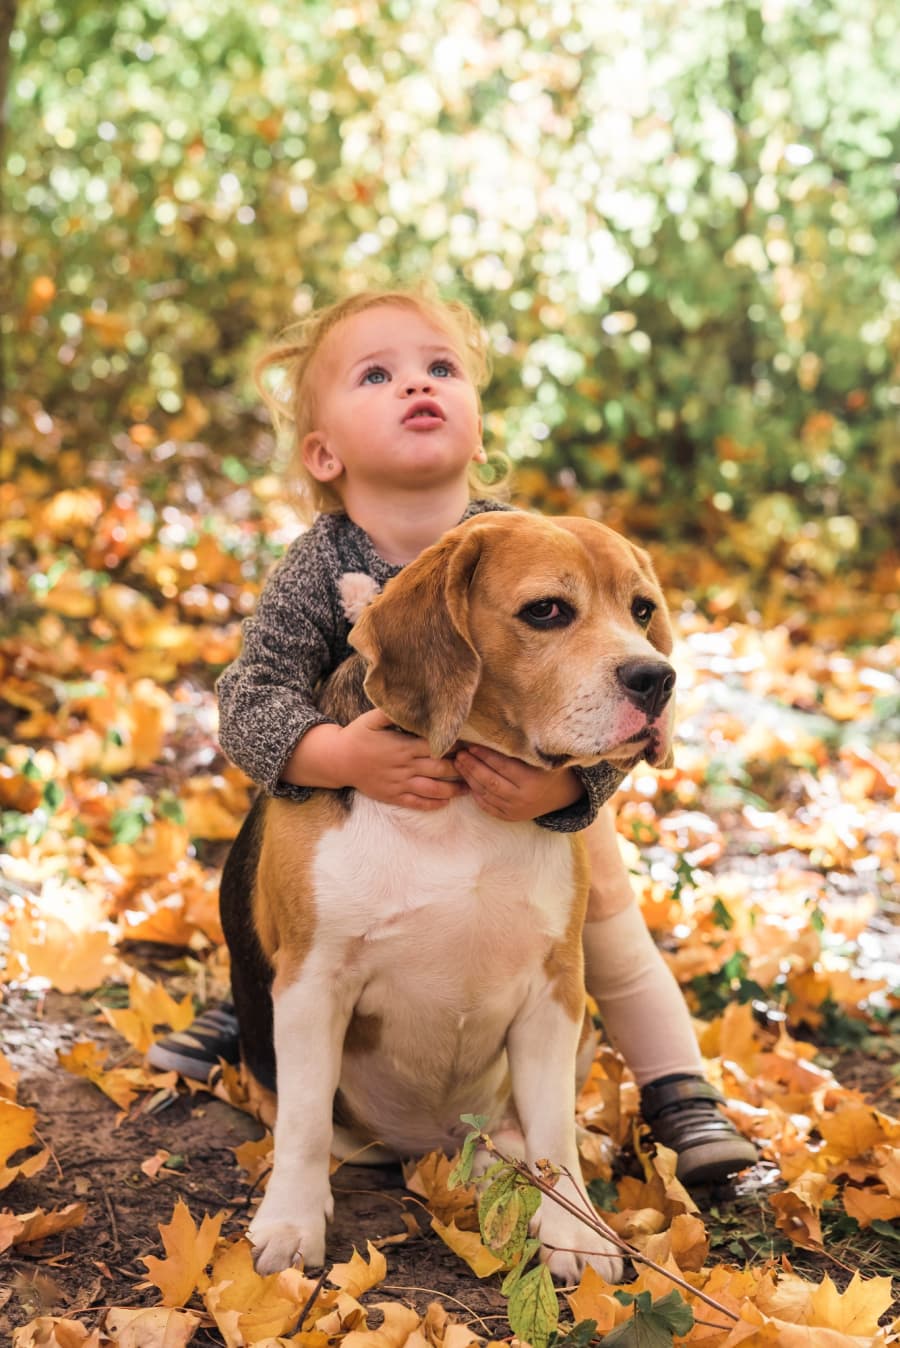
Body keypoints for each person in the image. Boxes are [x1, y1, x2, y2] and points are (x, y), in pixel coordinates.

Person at [149, 288, 756, 1187]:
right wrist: (340, 755)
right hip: (358, 781)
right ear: (323, 453)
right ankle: (251, 1006)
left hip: (535, 783)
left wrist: (568, 791)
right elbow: (251, 698)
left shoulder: (524, 545)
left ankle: (678, 1089)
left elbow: (601, 689)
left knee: (605, 922)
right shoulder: (319, 565)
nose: (417, 385)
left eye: (441, 368)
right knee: (278, 855)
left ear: (478, 435)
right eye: (376, 375)